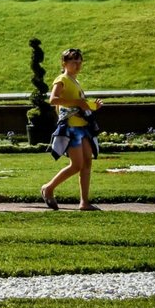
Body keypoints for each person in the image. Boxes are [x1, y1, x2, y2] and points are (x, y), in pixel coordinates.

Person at [43, 47, 104, 211]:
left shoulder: (75, 81)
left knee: (87, 162)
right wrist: (78, 103)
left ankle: (84, 201)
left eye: (79, 62)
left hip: (83, 127)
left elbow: (77, 104)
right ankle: (48, 188)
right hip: (71, 128)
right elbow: (53, 100)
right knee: (76, 165)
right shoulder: (62, 79)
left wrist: (91, 107)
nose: (77, 65)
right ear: (64, 63)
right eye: (73, 62)